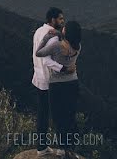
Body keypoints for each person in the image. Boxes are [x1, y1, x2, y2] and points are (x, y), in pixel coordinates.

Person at [36, 20, 82, 158]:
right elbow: (68, 41)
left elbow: (39, 53)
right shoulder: (78, 46)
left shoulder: (55, 45)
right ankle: (70, 148)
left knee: (58, 117)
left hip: (57, 86)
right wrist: (59, 33)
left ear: (65, 32)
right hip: (73, 84)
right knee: (69, 115)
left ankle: (62, 149)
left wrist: (46, 38)